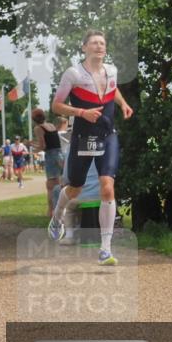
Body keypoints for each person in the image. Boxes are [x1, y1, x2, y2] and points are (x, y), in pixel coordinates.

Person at [48, 30, 134, 266]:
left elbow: (112, 88)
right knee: (75, 188)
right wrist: (81, 112)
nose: (99, 46)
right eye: (94, 43)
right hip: (83, 137)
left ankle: (105, 249)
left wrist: (123, 104)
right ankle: (57, 217)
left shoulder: (112, 70)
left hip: (108, 135)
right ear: (84, 47)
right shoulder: (73, 74)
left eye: (102, 43)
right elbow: (57, 106)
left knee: (107, 186)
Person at [31, 108, 64, 216]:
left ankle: (51, 211)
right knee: (59, 183)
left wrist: (34, 150)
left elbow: (43, 146)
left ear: (34, 119)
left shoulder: (38, 128)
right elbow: (51, 142)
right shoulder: (51, 125)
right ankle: (60, 208)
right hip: (60, 154)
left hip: (50, 156)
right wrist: (33, 144)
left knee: (50, 186)